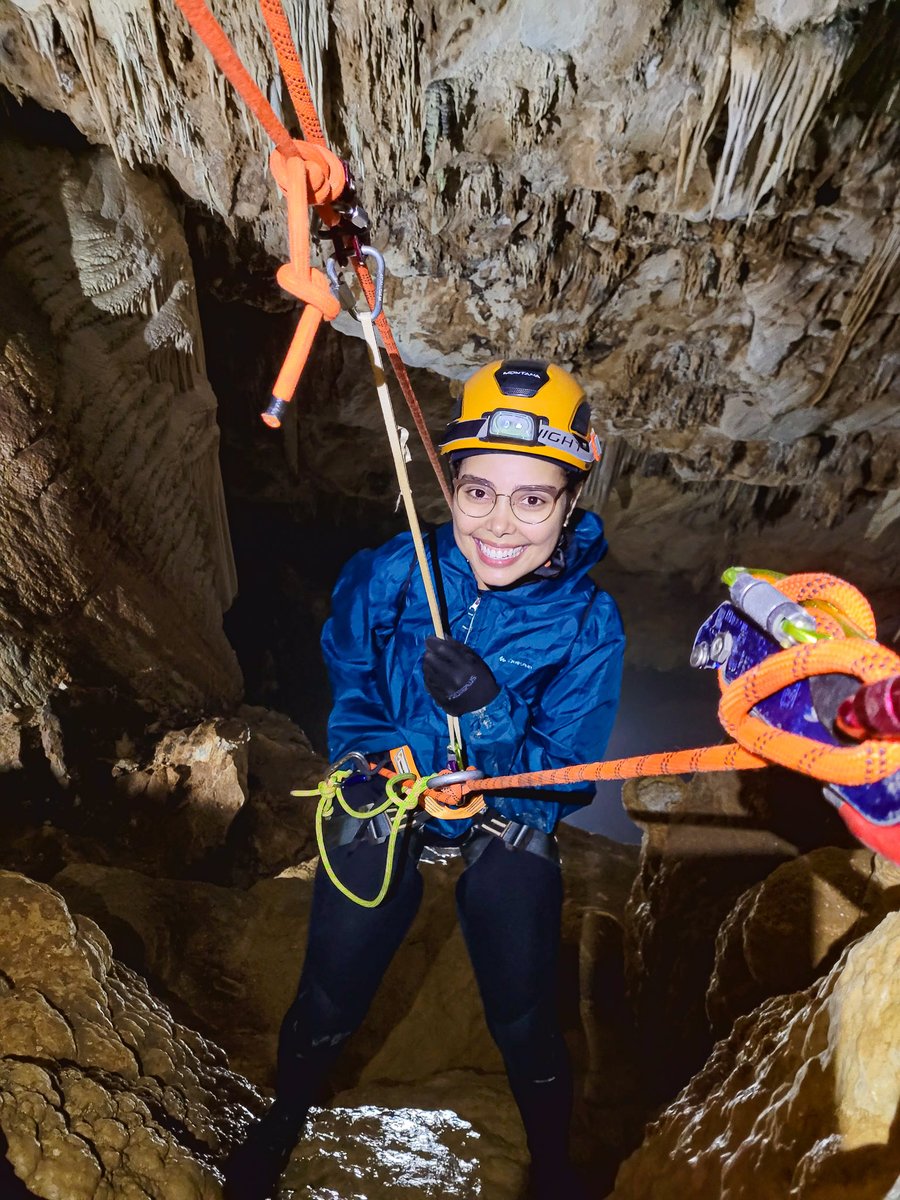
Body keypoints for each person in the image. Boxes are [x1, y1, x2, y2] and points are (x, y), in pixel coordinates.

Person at [224, 358, 625, 1200]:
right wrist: (372, 755)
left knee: (521, 1002)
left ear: (568, 501)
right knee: (337, 971)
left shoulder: (589, 622)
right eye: (479, 491)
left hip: (505, 808)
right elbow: (350, 665)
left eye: (533, 498)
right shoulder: (395, 569)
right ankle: (286, 1112)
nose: (501, 525)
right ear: (451, 485)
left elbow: (567, 769)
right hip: (394, 782)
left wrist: (482, 717)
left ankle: (553, 1166)